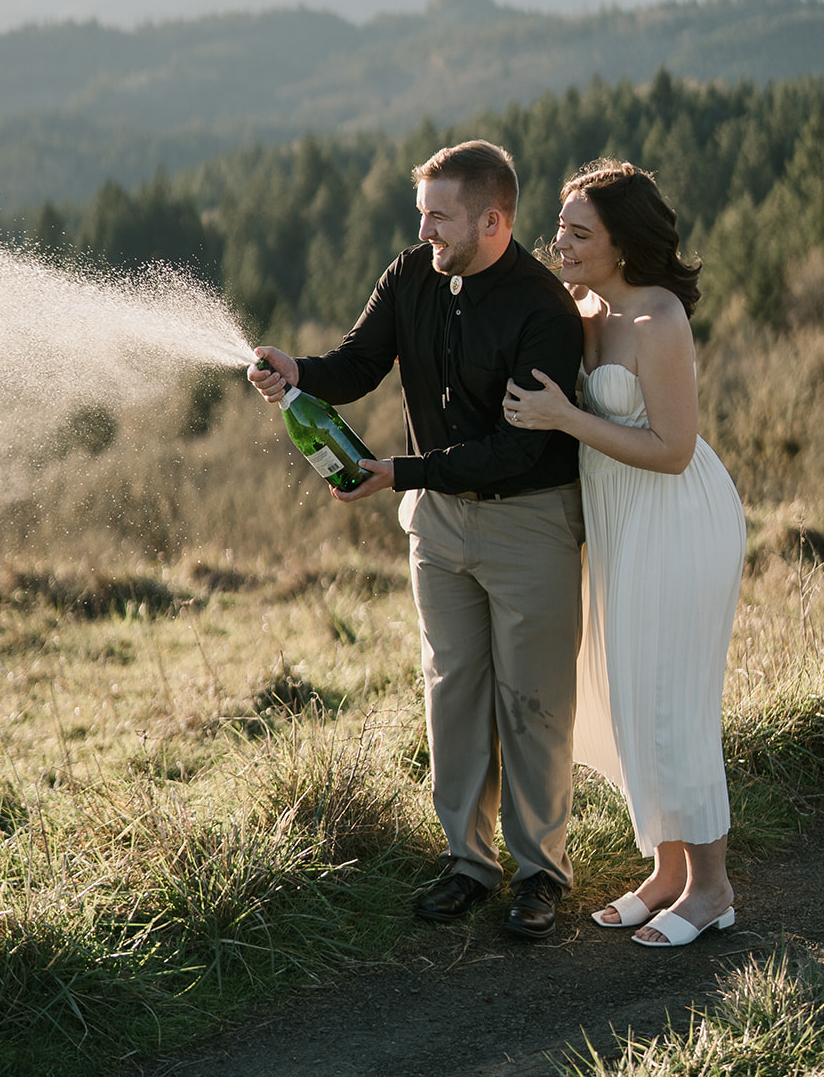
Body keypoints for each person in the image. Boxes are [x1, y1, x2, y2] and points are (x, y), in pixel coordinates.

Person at [250, 140, 585, 939]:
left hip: (528, 518)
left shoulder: (545, 311)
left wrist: (398, 470)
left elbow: (520, 446)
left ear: (493, 220)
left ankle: (540, 873)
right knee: (453, 689)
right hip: (436, 523)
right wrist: (293, 370)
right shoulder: (410, 274)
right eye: (421, 214)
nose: (424, 229)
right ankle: (468, 863)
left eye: (439, 216)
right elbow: (360, 363)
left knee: (532, 701)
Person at [503, 159, 746, 949]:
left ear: (622, 242)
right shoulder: (580, 307)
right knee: (634, 696)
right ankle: (665, 873)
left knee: (674, 703)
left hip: (677, 521)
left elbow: (673, 449)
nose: (560, 243)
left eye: (579, 232)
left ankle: (711, 890)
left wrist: (563, 418)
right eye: (560, 228)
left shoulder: (657, 320)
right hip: (618, 525)